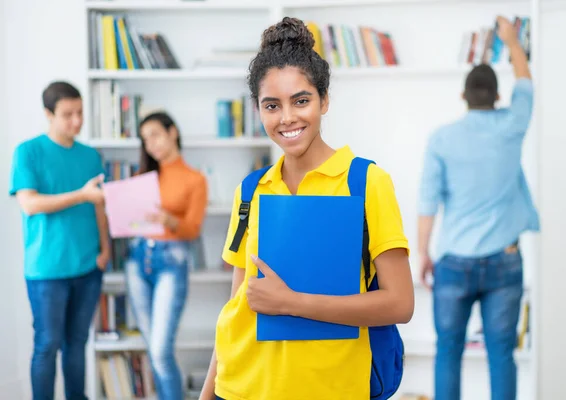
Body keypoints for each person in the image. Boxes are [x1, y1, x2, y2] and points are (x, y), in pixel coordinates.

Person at [198, 17, 414, 400]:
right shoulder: (250, 190)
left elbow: (400, 303)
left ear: (324, 99)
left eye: (301, 100)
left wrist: (292, 303)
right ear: (258, 110)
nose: (287, 118)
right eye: (271, 105)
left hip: (332, 386)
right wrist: (208, 393)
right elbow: (237, 305)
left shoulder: (365, 183)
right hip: (246, 386)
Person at [417, 16, 539, 400]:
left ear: (464, 96)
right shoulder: (512, 125)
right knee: (502, 354)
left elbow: (427, 202)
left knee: (448, 353)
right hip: (504, 261)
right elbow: (526, 85)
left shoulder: (442, 139)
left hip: (454, 262)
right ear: (497, 98)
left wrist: (423, 252)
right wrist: (513, 43)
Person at [9, 81, 109, 400]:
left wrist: (106, 249)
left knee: (76, 345)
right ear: (48, 114)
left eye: (80, 113)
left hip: (88, 267)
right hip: (46, 271)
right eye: (68, 114)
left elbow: (99, 207)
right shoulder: (28, 151)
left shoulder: (90, 156)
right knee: (47, 345)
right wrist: (81, 194)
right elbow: (29, 203)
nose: (77, 121)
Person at [125, 112, 208, 400]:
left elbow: (192, 229)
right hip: (137, 260)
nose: (151, 144)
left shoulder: (195, 179)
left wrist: (167, 219)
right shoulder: (141, 177)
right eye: (146, 139)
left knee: (160, 351)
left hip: (171, 261)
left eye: (156, 135)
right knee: (152, 350)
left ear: (173, 132)